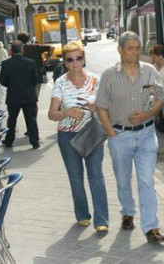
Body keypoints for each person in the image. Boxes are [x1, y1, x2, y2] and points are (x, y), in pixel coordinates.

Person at [96, 31, 164, 244]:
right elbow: (101, 106)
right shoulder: (109, 75)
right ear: (120, 50)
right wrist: (111, 133)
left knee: (146, 181)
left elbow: (161, 97)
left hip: (146, 134)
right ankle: (128, 212)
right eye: (130, 48)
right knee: (124, 180)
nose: (135, 53)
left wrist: (149, 114)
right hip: (120, 136)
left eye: (137, 48)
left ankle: (151, 227)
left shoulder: (150, 71)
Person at [47, 42, 109, 233]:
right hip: (67, 136)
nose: (75, 63)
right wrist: (66, 112)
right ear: (65, 62)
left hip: (91, 133)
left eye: (78, 58)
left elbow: (107, 107)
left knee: (96, 176)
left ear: (84, 59)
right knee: (75, 177)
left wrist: (96, 107)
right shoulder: (60, 83)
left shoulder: (96, 80)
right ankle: (82, 215)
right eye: (70, 59)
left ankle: (102, 220)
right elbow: (51, 114)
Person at [0, 41, 41, 149]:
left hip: (13, 96)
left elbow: (2, 81)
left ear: (11, 51)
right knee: (31, 119)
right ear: (22, 50)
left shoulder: (6, 64)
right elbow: (36, 79)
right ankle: (35, 141)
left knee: (12, 119)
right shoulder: (30, 62)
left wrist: (12, 84)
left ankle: (9, 140)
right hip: (29, 96)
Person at [17, 31, 52, 98]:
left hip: (23, 77)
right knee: (35, 97)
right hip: (37, 75)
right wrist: (47, 60)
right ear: (28, 38)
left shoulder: (18, 49)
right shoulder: (35, 47)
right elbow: (51, 48)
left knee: (26, 97)